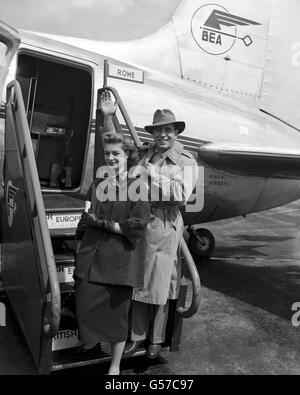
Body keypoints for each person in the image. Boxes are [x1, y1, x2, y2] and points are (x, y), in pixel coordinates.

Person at [100, 94, 199, 358]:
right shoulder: (145, 154)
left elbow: (180, 195)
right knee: (138, 281)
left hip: (166, 223)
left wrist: (150, 172)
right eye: (158, 130)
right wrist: (110, 116)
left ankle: (155, 340)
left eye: (168, 130)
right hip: (142, 220)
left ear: (176, 132)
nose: (163, 135)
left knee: (161, 284)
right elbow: (115, 146)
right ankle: (137, 337)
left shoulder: (187, 161)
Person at [74, 128, 150, 375]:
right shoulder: (97, 184)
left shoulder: (138, 186)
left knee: (117, 317)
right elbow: (86, 219)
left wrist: (104, 224)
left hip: (119, 261)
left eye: (116, 153)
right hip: (92, 255)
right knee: (83, 302)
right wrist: (85, 223)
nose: (111, 158)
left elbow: (137, 227)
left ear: (127, 155)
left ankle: (115, 366)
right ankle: (92, 339)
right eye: (107, 153)